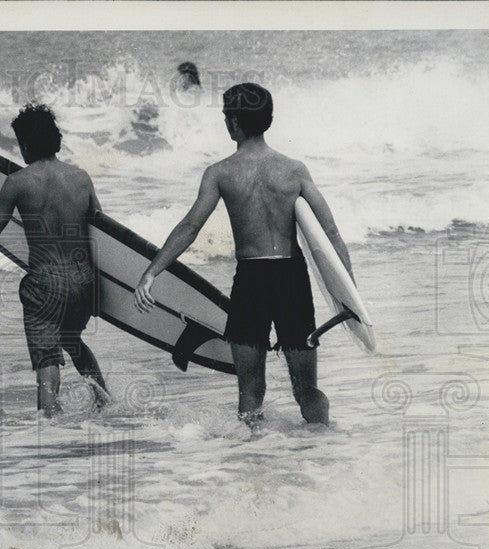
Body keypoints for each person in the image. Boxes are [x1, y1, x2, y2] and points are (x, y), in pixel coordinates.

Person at [134, 83, 354, 427]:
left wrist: (152, 272)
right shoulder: (294, 170)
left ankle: (251, 458)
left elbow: (191, 226)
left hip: (251, 282)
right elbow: (330, 234)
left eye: (226, 116)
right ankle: (321, 447)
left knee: (250, 391)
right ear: (267, 120)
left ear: (233, 122)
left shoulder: (220, 172)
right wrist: (350, 295)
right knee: (307, 389)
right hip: (291, 280)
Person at [0, 104, 109, 416]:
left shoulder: (17, 182)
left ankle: (50, 422)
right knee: (73, 341)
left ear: (27, 143)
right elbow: (102, 232)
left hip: (45, 283)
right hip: (84, 280)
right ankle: (105, 403)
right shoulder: (81, 178)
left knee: (47, 356)